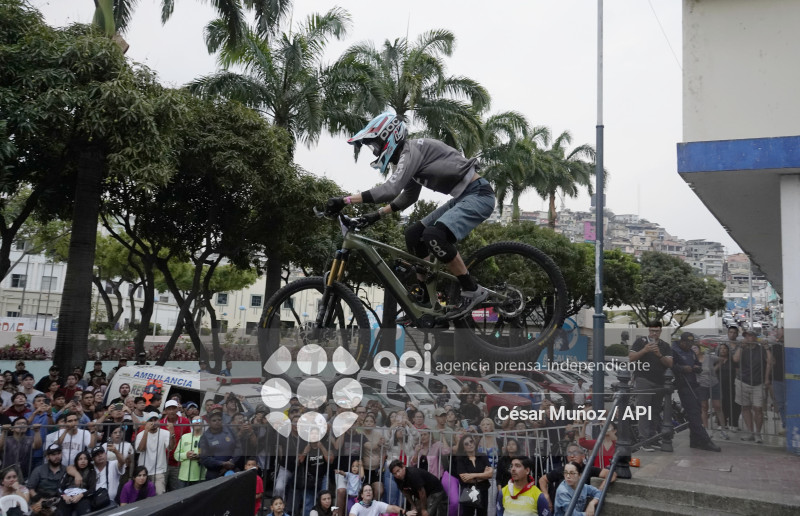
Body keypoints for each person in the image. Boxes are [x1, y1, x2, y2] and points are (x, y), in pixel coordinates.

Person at [326, 112, 497, 318]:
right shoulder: (408, 158)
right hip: (463, 196)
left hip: (479, 194)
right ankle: (426, 299)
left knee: (434, 235)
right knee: (413, 235)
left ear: (390, 136)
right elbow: (408, 196)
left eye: (376, 145)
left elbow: (390, 189)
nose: (375, 152)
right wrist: (375, 215)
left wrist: (345, 200)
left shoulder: (410, 151)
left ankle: (472, 289)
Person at [628, 322, 673, 451]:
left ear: (660, 331)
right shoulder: (640, 342)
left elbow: (670, 363)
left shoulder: (665, 345)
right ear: (649, 330)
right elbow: (631, 357)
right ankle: (644, 440)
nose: (654, 333)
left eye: (657, 331)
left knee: (655, 411)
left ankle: (652, 438)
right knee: (644, 410)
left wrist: (659, 355)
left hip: (659, 382)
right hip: (644, 379)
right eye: (652, 331)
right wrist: (644, 350)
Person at [672, 332, 721, 452]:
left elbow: (697, 364)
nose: (689, 345)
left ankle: (695, 440)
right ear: (682, 342)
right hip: (684, 384)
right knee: (693, 413)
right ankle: (705, 440)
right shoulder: (674, 351)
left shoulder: (690, 351)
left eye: (691, 343)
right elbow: (670, 366)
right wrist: (683, 368)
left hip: (694, 383)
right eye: (687, 343)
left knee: (697, 411)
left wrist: (696, 367)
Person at [538, 443, 615, 510]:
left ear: (583, 456)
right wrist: (546, 495)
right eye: (569, 453)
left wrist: (601, 488)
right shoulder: (562, 470)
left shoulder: (588, 469)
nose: (572, 456)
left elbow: (611, 474)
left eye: (575, 453)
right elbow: (542, 480)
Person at [733, 329, 771, 443]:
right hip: (742, 382)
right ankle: (750, 432)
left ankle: (757, 433)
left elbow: (771, 361)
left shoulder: (760, 349)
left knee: (758, 409)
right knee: (745, 407)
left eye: (750, 336)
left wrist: (767, 348)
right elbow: (735, 359)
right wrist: (741, 347)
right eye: (746, 336)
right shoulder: (742, 348)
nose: (748, 338)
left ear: (755, 337)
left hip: (758, 383)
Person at [454, 434, 493, 516]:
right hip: (468, 491)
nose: (470, 444)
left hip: (483, 490)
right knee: (468, 514)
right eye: (466, 444)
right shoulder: (461, 459)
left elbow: (489, 474)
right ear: (463, 448)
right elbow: (465, 479)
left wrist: (472, 475)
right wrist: (483, 475)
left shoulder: (482, 456)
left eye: (471, 441)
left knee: (482, 514)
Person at [695, 344, 728, 440]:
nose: (694, 350)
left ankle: (723, 429)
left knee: (718, 406)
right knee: (704, 407)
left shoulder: (708, 357)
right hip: (701, 385)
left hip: (714, 384)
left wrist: (714, 369)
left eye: (695, 348)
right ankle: (706, 429)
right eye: (692, 348)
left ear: (699, 349)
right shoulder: (692, 360)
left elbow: (721, 359)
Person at [198, 406, 239, 480]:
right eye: (214, 420)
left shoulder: (230, 431)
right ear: (209, 422)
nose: (217, 422)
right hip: (215, 473)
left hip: (232, 469)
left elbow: (239, 447)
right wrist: (222, 464)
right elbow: (204, 458)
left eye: (219, 419)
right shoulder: (204, 438)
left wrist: (232, 461)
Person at [134, 412, 171, 494]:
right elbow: (141, 449)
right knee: (143, 496)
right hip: (143, 471)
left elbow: (171, 448)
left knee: (159, 494)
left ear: (159, 421)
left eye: (155, 420)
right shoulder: (140, 435)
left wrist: (172, 434)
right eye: (150, 420)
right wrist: (146, 431)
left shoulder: (165, 433)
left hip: (159, 470)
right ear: (146, 422)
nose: (153, 422)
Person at [159, 399, 190, 491]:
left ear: (177, 409)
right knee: (161, 490)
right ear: (165, 410)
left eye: (173, 408)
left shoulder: (185, 421)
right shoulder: (161, 423)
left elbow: (188, 439)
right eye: (169, 409)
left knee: (177, 490)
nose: (171, 411)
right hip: (163, 462)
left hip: (178, 462)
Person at [174, 415, 206, 487]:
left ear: (203, 423)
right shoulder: (184, 437)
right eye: (194, 421)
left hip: (200, 477)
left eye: (199, 420)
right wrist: (186, 455)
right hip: (183, 477)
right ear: (191, 424)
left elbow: (211, 455)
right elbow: (176, 455)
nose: (197, 422)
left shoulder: (207, 437)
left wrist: (199, 457)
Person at [61, 450, 95, 515]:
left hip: (82, 497)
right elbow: (59, 488)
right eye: (80, 459)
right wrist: (64, 495)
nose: (83, 461)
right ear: (76, 461)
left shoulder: (91, 472)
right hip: (67, 497)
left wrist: (81, 495)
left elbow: (92, 489)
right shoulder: (70, 471)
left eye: (85, 459)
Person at [769, 328, 786, 433]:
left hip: (792, 379)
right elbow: (771, 362)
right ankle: (785, 425)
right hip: (778, 378)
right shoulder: (774, 347)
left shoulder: (794, 346)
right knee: (781, 403)